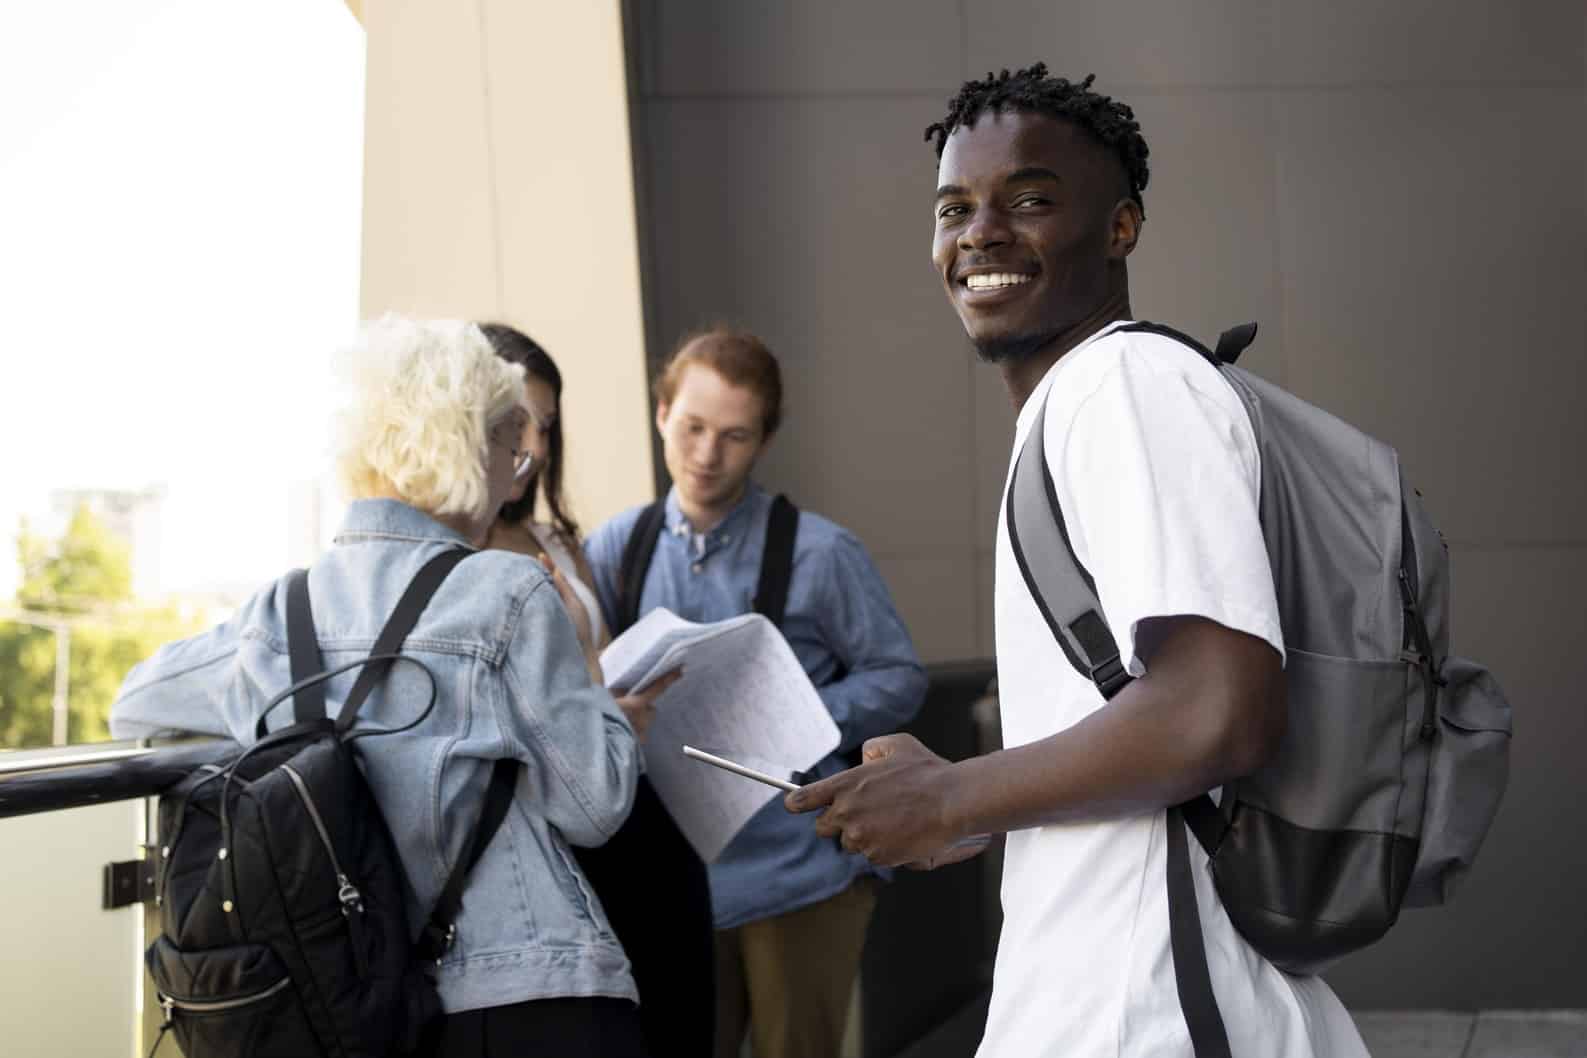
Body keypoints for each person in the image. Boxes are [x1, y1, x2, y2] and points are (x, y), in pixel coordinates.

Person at [786, 65, 1372, 1057]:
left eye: (1028, 199)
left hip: (1147, 1008)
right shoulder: (1081, 403)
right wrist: (965, 793)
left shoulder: (1122, 384)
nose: (980, 232)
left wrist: (951, 795)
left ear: (1121, 228)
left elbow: (1219, 708)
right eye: (954, 207)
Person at [109, 315, 650, 1057]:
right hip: (524, 988)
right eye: (511, 448)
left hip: (352, 1003)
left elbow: (134, 700)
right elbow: (597, 804)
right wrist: (587, 661)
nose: (514, 474)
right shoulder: (507, 591)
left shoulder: (283, 609)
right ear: (472, 446)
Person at [584, 327, 929, 1058]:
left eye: (734, 436)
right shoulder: (618, 545)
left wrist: (796, 719)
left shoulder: (821, 551)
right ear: (660, 415)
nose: (707, 455)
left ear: (764, 439)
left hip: (797, 875)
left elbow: (899, 676)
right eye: (692, 428)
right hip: (669, 880)